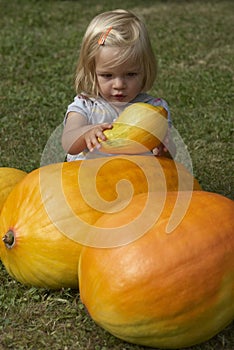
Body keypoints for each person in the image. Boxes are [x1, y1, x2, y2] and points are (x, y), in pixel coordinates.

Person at [62, 9, 175, 161]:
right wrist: (86, 132)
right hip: (87, 179)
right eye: (107, 75)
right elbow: (68, 142)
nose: (119, 85)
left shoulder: (154, 109)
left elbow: (170, 156)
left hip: (135, 179)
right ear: (91, 71)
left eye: (131, 74)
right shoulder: (86, 105)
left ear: (145, 70)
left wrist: (164, 149)